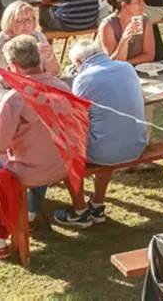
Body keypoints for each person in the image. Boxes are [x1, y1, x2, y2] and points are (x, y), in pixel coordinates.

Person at [0, 35, 68, 258]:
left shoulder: (15, 98)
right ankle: (31, 216)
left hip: (31, 170)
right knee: (38, 151)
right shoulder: (62, 86)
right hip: (62, 165)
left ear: (13, 66)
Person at [53, 41, 147, 228]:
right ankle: (97, 203)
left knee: (65, 148)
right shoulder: (126, 67)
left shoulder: (84, 78)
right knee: (108, 131)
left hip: (107, 151)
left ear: (79, 62)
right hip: (137, 144)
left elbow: (75, 118)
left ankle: (79, 211)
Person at [0, 2, 60, 89]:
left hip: (33, 86)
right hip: (1, 88)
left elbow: (54, 72)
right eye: (19, 21)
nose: (26, 24)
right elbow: (5, 77)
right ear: (9, 23)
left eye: (29, 19)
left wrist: (49, 58)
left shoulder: (38, 36)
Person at [99, 0, 155, 65]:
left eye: (142, 0)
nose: (143, 4)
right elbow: (112, 64)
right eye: (138, 2)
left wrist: (126, 64)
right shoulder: (107, 26)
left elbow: (149, 55)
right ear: (125, 6)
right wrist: (124, 40)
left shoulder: (144, 21)